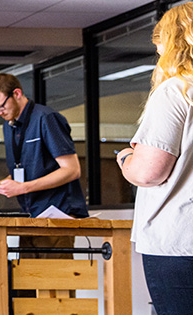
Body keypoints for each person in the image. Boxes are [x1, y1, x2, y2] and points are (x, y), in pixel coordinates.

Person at [117, 3, 193, 313]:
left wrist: (125, 158)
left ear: (173, 42)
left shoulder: (177, 91)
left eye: (159, 44)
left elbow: (149, 172)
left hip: (179, 241)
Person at [0, 73, 88, 259]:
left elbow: (72, 170)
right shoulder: (9, 126)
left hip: (57, 216)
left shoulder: (46, 118)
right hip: (30, 216)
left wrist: (23, 188)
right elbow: (25, 172)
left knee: (54, 283)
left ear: (17, 93)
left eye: (0, 106)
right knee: (25, 284)